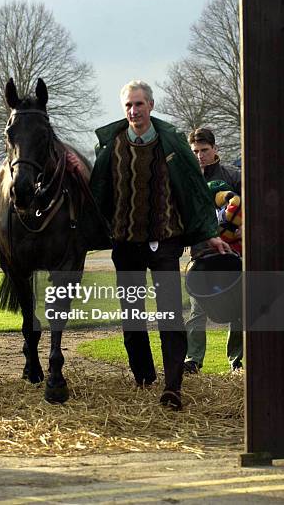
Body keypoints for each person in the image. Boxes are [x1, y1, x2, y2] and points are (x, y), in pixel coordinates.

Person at [90, 81, 230, 410]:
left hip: (166, 241)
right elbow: (98, 195)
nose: (134, 111)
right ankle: (143, 378)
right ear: (123, 109)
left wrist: (208, 231)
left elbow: (193, 191)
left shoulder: (173, 143)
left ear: (151, 105)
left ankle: (172, 386)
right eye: (128, 105)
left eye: (139, 104)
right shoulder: (112, 145)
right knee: (132, 317)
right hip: (126, 245)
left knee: (170, 317)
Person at [184, 127, 243, 374]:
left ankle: (236, 361)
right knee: (198, 310)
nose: (200, 156)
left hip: (233, 254)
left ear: (215, 149)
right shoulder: (185, 179)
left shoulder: (232, 176)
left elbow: (250, 202)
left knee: (237, 308)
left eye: (204, 150)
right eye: (195, 151)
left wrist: (246, 227)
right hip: (201, 255)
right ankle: (193, 360)